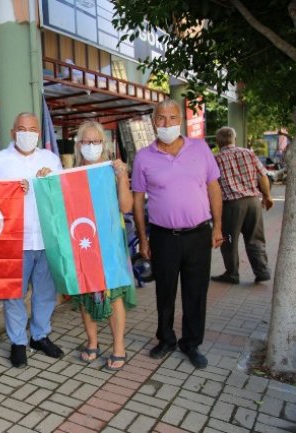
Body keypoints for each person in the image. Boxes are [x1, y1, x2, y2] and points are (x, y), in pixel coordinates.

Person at [132, 99, 224, 370]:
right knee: (165, 290)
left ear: (180, 121)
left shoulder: (200, 148)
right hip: (163, 236)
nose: (167, 123)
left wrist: (218, 227)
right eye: (161, 118)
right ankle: (166, 338)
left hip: (198, 234)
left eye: (172, 118)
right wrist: (143, 239)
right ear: (153, 122)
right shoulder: (143, 157)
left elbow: (214, 188)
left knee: (196, 291)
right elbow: (137, 200)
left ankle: (191, 343)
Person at [0, 112, 64, 369]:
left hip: (46, 239)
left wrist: (51, 182)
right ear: (13, 132)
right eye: (21, 128)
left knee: (45, 293)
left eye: (32, 129)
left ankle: (40, 336)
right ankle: (18, 342)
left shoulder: (51, 159)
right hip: (13, 241)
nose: (27, 133)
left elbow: (63, 195)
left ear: (39, 134)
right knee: (13, 294)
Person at [73, 120, 136, 371]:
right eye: (86, 141)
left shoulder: (113, 170)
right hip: (83, 243)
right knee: (85, 292)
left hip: (109, 243)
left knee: (114, 295)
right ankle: (92, 341)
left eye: (96, 141)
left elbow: (126, 207)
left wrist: (122, 178)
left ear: (104, 143)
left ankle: (119, 347)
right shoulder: (70, 174)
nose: (91, 146)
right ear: (79, 145)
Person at [211, 126, 273, 284]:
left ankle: (232, 274)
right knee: (255, 238)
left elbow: (212, 186)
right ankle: (262, 271)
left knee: (229, 240)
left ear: (218, 142)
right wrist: (267, 196)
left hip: (231, 206)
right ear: (234, 139)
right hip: (253, 203)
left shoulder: (216, 159)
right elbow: (263, 176)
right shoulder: (248, 153)